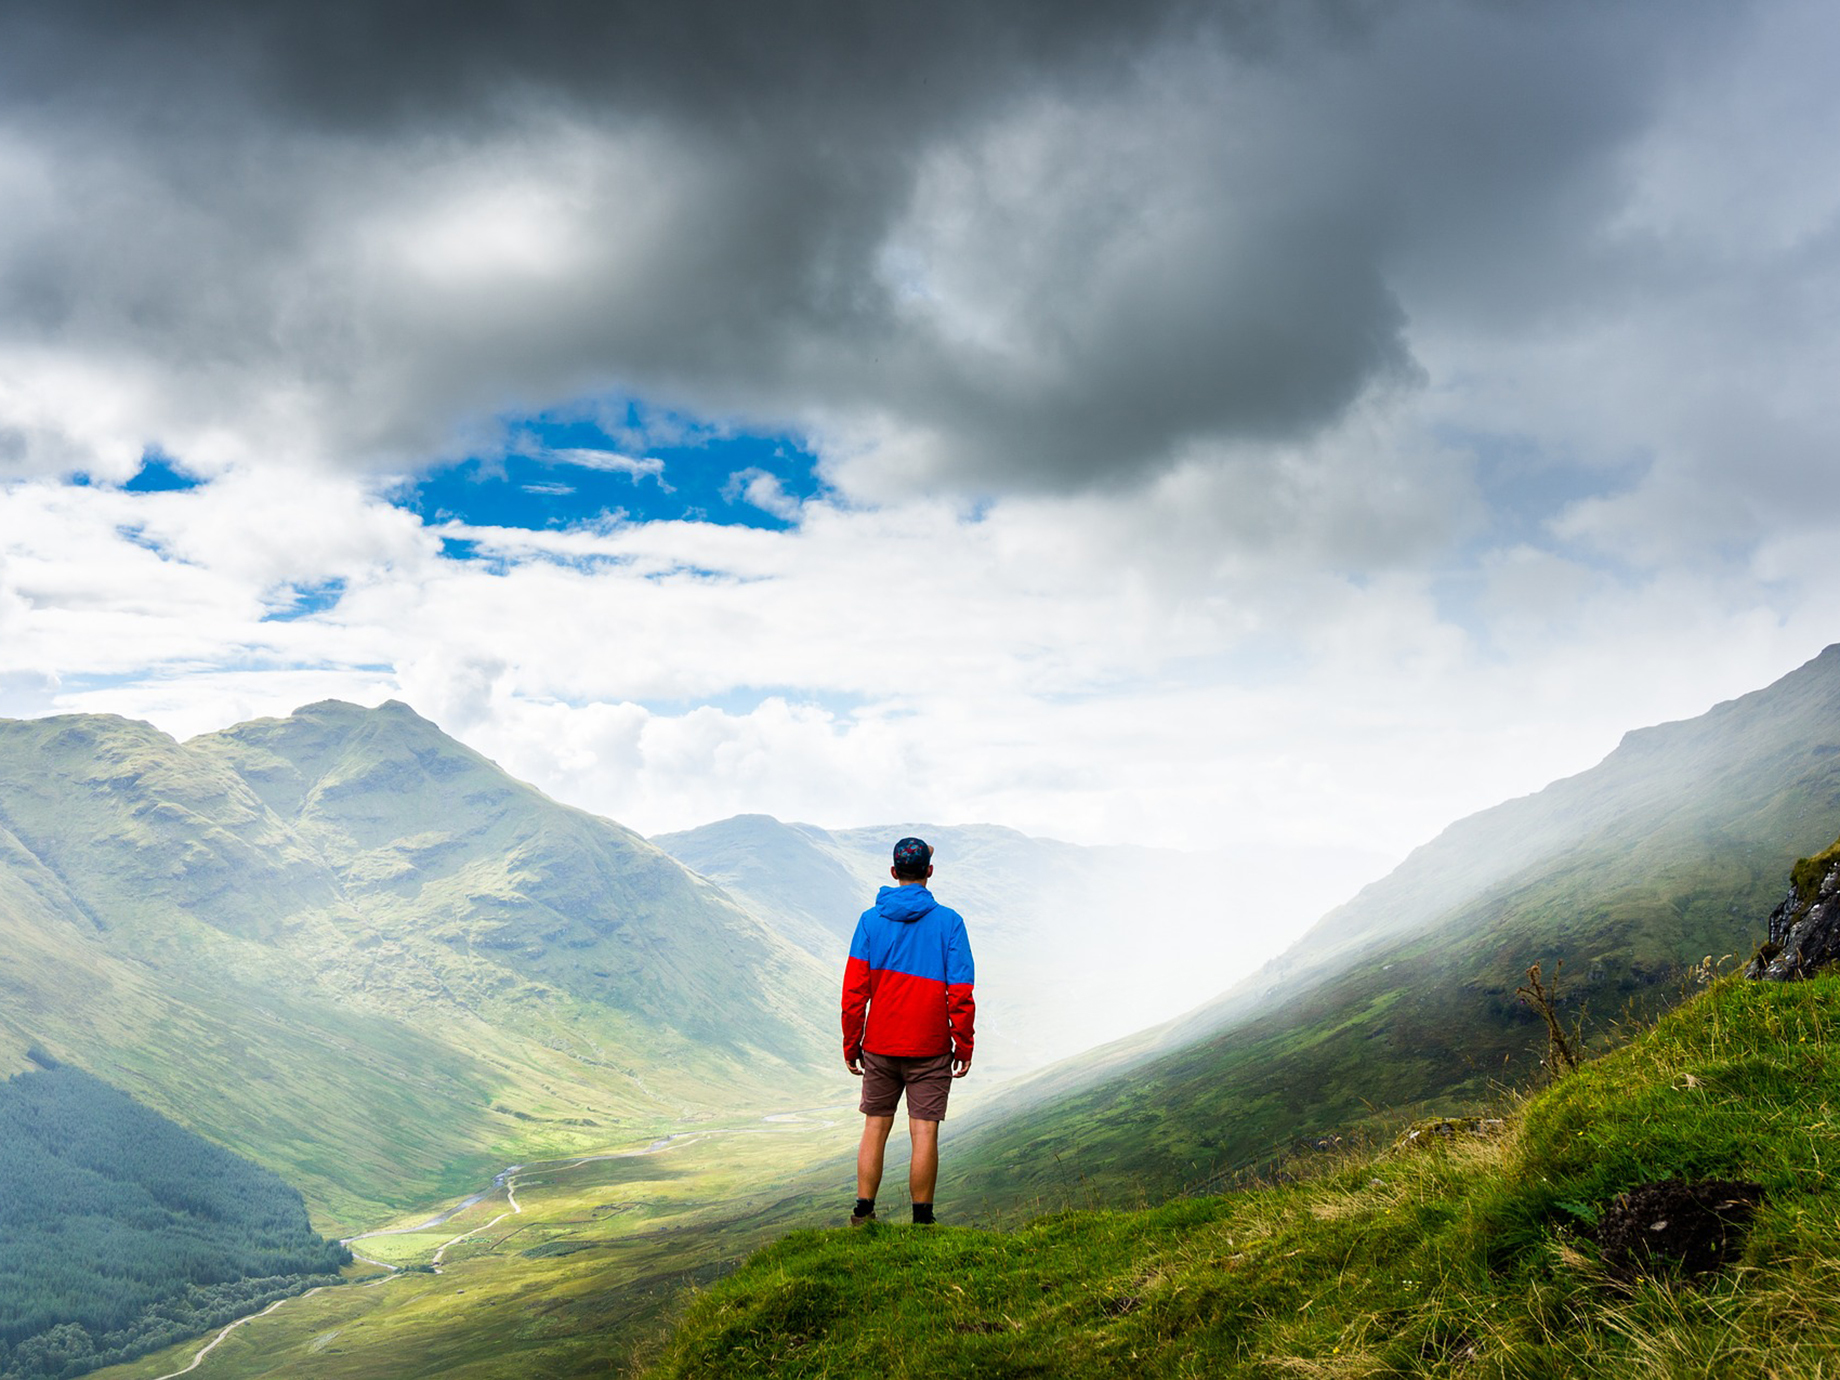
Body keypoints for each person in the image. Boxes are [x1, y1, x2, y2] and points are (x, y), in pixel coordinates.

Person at [840, 836, 975, 1226]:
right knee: (924, 1132)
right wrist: (963, 1043)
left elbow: (854, 993)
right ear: (929, 873)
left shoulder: (869, 921)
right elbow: (961, 992)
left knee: (875, 1126)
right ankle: (922, 1221)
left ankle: (863, 1213)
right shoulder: (950, 923)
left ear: (894, 872)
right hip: (931, 1048)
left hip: (880, 1045)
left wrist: (852, 1043)